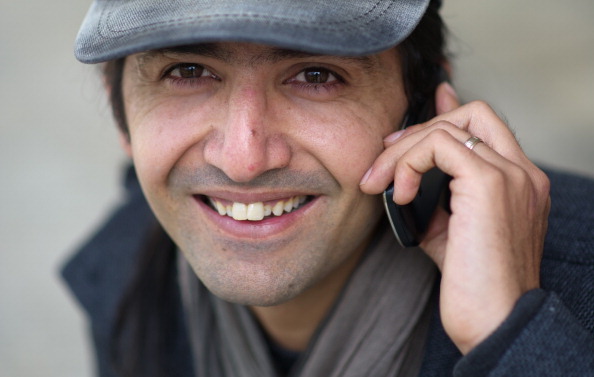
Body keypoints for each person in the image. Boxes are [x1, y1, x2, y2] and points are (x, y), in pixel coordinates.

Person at [62, 1, 594, 376]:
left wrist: (512, 338)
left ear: (427, 106)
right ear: (120, 111)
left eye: (316, 76)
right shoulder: (124, 276)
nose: (244, 160)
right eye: (188, 71)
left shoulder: (576, 294)